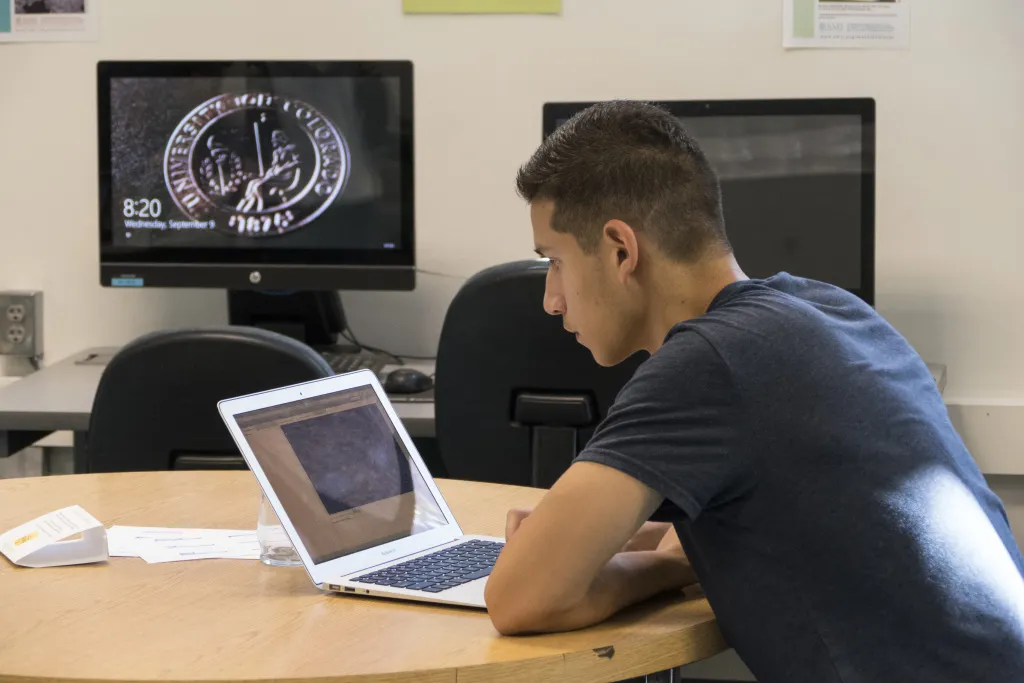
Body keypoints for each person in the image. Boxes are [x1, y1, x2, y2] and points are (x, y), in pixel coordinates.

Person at [483, 100, 1024, 682]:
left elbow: (520, 598)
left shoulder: (709, 363)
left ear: (621, 249)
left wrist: (660, 569)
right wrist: (624, 545)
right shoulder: (830, 308)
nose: (551, 299)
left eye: (555, 262)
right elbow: (788, 521)